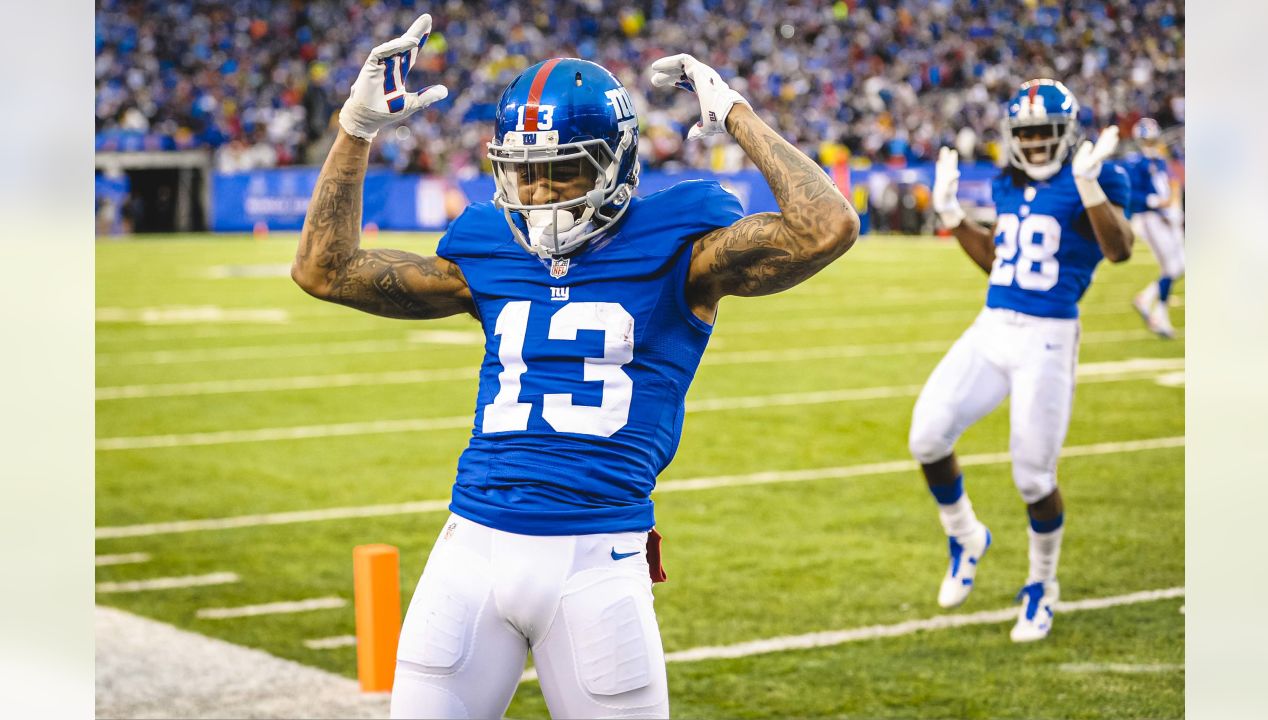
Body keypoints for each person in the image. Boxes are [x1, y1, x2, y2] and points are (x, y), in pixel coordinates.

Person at [290, 14, 859, 719]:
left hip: (599, 563)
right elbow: (323, 268)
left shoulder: (679, 249)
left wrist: (735, 114)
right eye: (523, 174)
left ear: (616, 163)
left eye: (562, 173)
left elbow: (826, 226)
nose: (537, 195)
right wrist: (355, 129)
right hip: (470, 551)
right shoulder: (489, 251)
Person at [914, 79, 1134, 642]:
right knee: (927, 436)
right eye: (1026, 132)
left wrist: (1087, 186)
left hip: (1049, 337)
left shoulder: (1100, 175)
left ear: (1068, 133)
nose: (1034, 143)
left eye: (1044, 132)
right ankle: (966, 535)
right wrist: (952, 215)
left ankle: (1042, 583)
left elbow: (1121, 249)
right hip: (993, 326)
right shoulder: (1009, 181)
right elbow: (1000, 260)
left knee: (1033, 476)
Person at [1127, 117, 1184, 338]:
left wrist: (1172, 203)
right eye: (1146, 140)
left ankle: (1147, 298)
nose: (1150, 144)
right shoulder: (1134, 162)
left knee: (1180, 265)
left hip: (1164, 216)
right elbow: (1131, 195)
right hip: (1148, 218)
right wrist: (1154, 201)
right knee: (1172, 267)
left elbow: (1170, 185)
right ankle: (1159, 313)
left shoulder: (1160, 160)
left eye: (1152, 139)